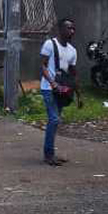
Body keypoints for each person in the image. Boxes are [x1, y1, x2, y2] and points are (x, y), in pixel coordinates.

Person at [39, 18, 81, 166]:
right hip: (48, 88)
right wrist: (52, 83)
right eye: (69, 28)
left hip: (63, 90)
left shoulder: (72, 51)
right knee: (54, 119)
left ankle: (51, 153)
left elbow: (73, 72)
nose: (72, 31)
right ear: (61, 29)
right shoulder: (50, 44)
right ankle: (48, 155)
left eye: (73, 28)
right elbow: (43, 66)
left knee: (55, 122)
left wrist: (78, 94)